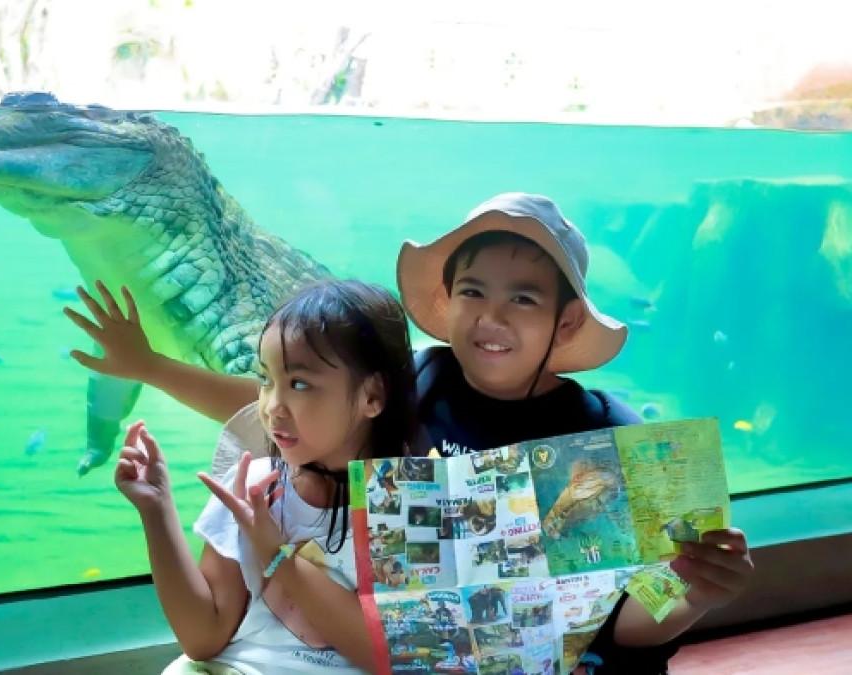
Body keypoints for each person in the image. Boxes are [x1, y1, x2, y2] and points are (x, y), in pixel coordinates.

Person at [69, 193, 754, 674]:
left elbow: (626, 620)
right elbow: (280, 406)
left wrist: (697, 591)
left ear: (567, 322)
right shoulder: (417, 380)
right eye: (473, 291)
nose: (490, 317)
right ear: (446, 301)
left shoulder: (610, 437)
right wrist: (151, 367)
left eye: (523, 297)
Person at [112, 280, 417, 674]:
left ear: (372, 396)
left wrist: (277, 554)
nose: (273, 406)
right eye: (266, 380)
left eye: (300, 384)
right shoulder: (253, 484)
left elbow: (388, 660)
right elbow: (203, 639)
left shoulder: (412, 504)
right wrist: (155, 508)